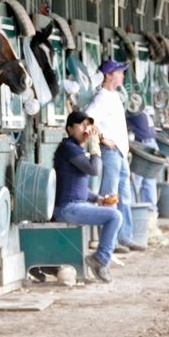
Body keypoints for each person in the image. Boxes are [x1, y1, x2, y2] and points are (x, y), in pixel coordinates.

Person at [50, 111, 123, 283]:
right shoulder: (68, 147)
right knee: (114, 216)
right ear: (69, 129)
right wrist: (95, 147)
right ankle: (100, 259)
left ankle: (100, 258)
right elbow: (94, 170)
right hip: (67, 208)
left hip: (75, 205)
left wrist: (98, 198)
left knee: (112, 212)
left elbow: (77, 186)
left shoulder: (76, 149)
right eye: (82, 125)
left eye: (88, 125)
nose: (86, 129)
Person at [85, 59, 141, 252]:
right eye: (119, 72)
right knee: (110, 196)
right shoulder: (101, 96)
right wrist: (102, 138)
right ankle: (111, 241)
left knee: (124, 195)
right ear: (108, 75)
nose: (122, 75)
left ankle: (125, 237)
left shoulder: (114, 95)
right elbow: (88, 119)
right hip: (110, 151)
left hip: (120, 152)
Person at [125, 95, 159, 213]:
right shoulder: (142, 110)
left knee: (136, 180)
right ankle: (150, 212)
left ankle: (133, 210)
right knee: (149, 180)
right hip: (152, 143)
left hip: (144, 145)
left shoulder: (131, 111)